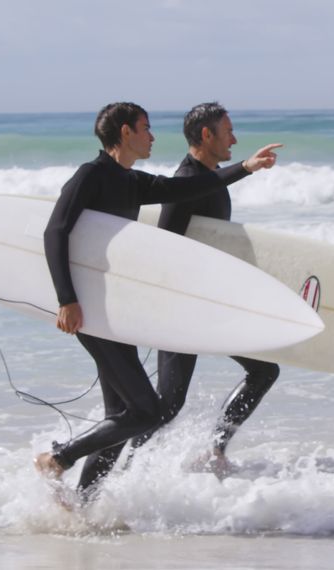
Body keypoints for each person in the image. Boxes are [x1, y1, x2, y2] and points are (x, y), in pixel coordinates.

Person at [34, 102, 281, 493]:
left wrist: (245, 168)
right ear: (126, 132)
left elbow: (186, 187)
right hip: (89, 309)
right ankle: (57, 458)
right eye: (146, 128)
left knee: (121, 415)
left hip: (113, 309)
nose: (153, 136)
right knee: (147, 411)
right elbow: (55, 232)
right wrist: (67, 299)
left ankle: (81, 505)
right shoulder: (90, 176)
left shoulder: (131, 182)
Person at [133, 102, 281, 478]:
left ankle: (215, 451)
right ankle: (121, 466)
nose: (234, 138)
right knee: (166, 406)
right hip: (183, 307)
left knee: (263, 371)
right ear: (206, 135)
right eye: (227, 130)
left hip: (209, 302)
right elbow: (164, 244)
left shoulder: (206, 177)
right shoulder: (186, 179)